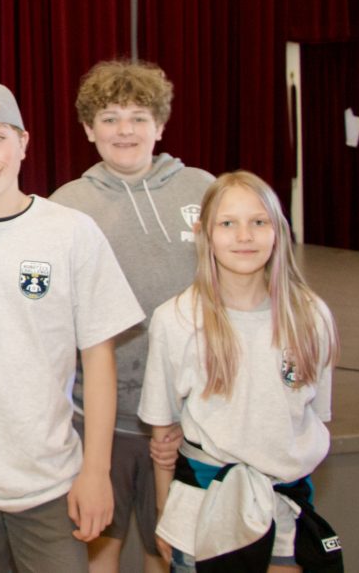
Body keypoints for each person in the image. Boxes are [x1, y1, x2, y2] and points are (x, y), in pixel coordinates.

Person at [0, 81, 145, 573]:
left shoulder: (71, 232)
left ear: (24, 141)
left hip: (53, 482)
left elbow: (99, 360)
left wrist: (97, 471)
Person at [50, 58, 214, 572]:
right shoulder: (67, 207)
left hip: (196, 417)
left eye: (139, 117)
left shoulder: (204, 191)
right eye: (111, 118)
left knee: (168, 553)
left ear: (160, 125)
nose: (125, 130)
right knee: (100, 547)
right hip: (103, 422)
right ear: (88, 129)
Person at [138, 171, 342, 572]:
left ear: (278, 231)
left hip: (283, 511)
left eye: (258, 222)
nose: (244, 236)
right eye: (228, 223)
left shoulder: (311, 317)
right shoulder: (176, 319)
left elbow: (315, 419)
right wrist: (164, 510)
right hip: (200, 516)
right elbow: (163, 435)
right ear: (205, 234)